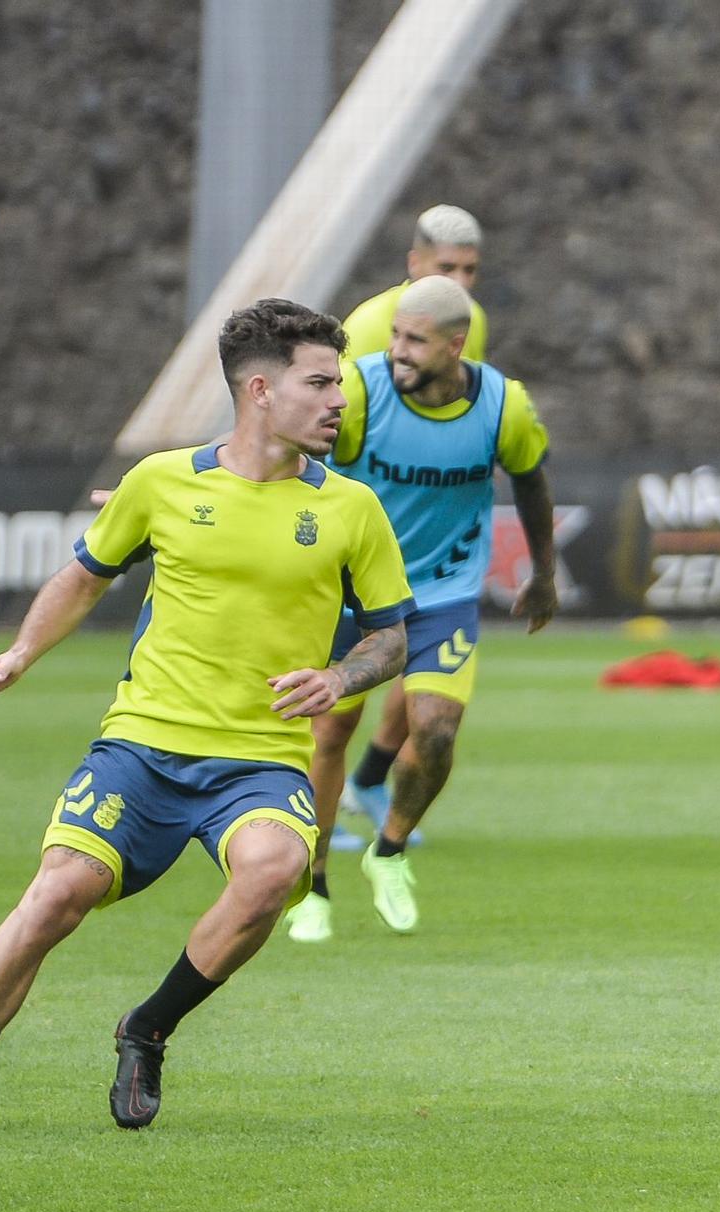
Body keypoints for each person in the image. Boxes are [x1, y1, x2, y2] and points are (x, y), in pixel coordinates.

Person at [0, 299, 412, 1137]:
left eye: (338, 381)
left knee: (276, 871)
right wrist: (21, 654)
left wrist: (344, 674)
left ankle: (147, 1028)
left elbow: (392, 635)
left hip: (260, 761)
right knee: (56, 896)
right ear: (261, 390)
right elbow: (85, 575)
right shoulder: (160, 482)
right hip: (142, 748)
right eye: (321, 382)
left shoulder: (351, 509)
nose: (339, 398)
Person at [288, 274, 558, 942]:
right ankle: (312, 885)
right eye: (396, 337)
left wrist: (545, 573)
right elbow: (281, 455)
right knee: (328, 735)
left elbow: (530, 480)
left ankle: (389, 850)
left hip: (442, 594)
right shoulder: (358, 391)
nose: (399, 350)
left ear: (455, 344)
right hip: (353, 593)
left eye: (416, 340)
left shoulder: (504, 406)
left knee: (435, 733)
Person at [333, 204, 489, 851]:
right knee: (333, 694)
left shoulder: (468, 324)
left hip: (426, 536)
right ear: (414, 264)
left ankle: (369, 781)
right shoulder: (369, 329)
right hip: (362, 533)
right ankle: (298, 807)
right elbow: (327, 425)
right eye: (446, 267)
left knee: (421, 665)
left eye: (470, 269)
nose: (460, 280)